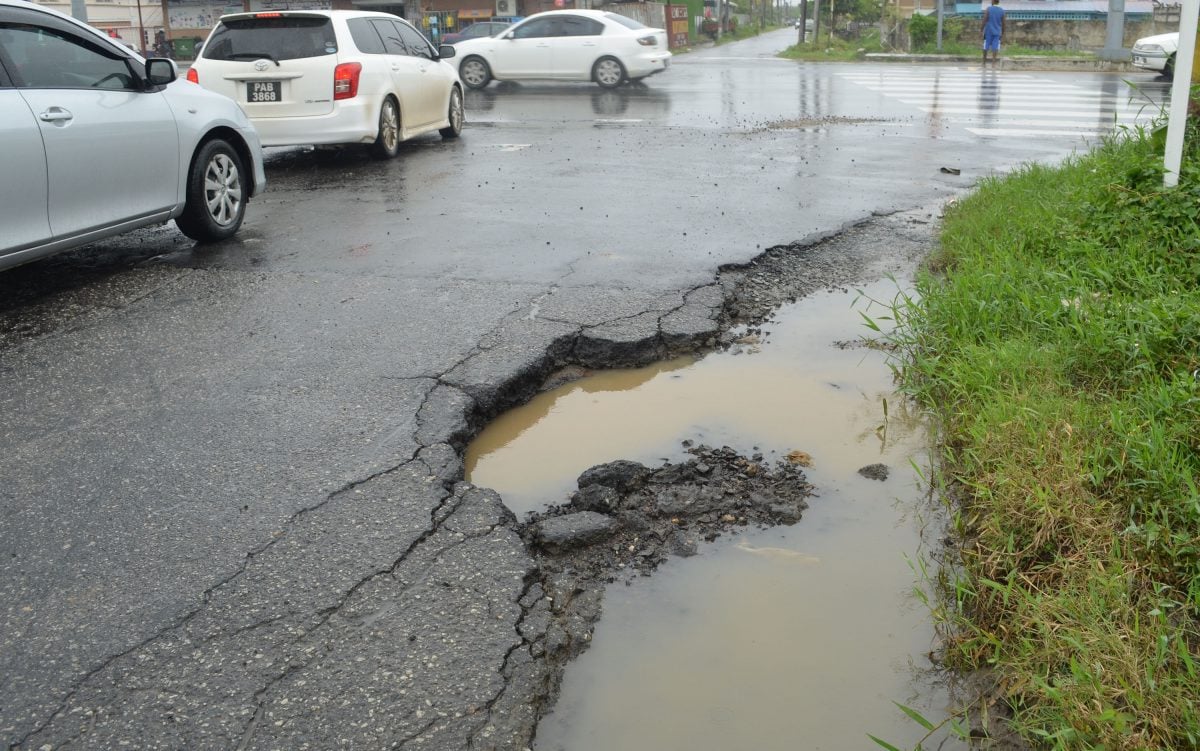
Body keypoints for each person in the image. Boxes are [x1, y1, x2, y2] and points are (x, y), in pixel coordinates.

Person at [981, 0, 1005, 66]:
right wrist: (1003, 33)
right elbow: (1003, 23)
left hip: (988, 31)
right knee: (995, 47)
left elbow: (984, 20)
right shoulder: (1001, 11)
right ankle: (993, 63)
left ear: (993, 1)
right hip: (997, 32)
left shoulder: (988, 9)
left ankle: (984, 62)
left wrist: (981, 30)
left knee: (986, 46)